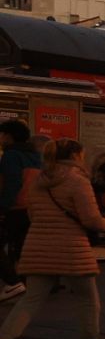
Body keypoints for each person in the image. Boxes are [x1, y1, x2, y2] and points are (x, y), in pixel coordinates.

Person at [0, 138, 105, 339]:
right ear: (76, 155)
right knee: (87, 299)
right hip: (71, 248)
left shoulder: (38, 181)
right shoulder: (78, 180)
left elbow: (32, 214)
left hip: (38, 246)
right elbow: (91, 219)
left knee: (30, 301)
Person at [0, 119, 42, 302]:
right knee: (23, 250)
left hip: (14, 208)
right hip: (32, 209)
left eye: (2, 134)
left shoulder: (11, 155)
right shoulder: (36, 156)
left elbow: (12, 182)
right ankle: (24, 289)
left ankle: (13, 283)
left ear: (9, 136)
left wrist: (3, 206)